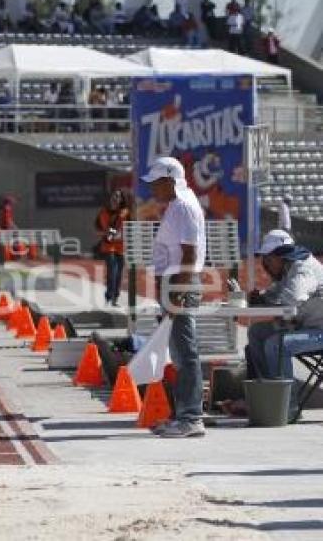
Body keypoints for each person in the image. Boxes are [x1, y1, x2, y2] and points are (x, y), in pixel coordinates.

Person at [141, 156, 207, 438]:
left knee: (185, 353)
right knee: (180, 353)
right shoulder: (178, 206)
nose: (153, 188)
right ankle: (185, 414)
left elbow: (189, 254)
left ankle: (191, 417)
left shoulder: (182, 207)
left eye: (157, 182)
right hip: (174, 283)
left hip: (179, 283)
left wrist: (177, 293)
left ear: (170, 179)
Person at [238, 230, 323, 420]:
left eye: (267, 260)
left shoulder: (303, 270)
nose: (265, 265)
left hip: (319, 332)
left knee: (277, 344)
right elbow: (276, 294)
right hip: (307, 327)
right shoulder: (287, 268)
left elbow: (292, 299)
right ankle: (267, 393)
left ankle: (287, 405)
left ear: (279, 256)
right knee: (257, 332)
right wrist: (260, 299)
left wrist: (270, 303)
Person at [96, 190, 129, 307]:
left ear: (121, 199)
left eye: (118, 196)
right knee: (112, 272)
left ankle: (115, 297)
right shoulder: (104, 212)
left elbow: (130, 226)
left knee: (119, 274)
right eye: (114, 196)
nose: (116, 198)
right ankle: (109, 296)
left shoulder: (126, 213)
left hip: (121, 247)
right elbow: (100, 229)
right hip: (109, 247)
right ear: (110, 199)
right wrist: (108, 232)